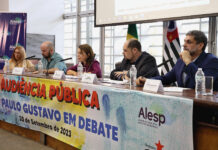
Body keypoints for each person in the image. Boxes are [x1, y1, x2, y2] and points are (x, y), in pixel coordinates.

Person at [136, 30, 218, 91]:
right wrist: (147, 80)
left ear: (200, 45)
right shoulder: (181, 61)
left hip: (203, 106)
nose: (184, 45)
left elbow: (205, 85)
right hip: (183, 103)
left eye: (189, 42)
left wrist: (188, 63)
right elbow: (166, 78)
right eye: (184, 41)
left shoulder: (212, 61)